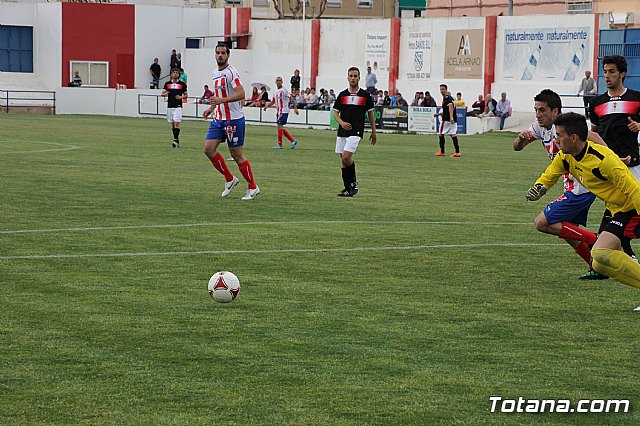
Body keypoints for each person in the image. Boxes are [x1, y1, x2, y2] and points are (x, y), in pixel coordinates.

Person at [525, 112, 640, 308]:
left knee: (602, 252)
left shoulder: (604, 160)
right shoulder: (566, 157)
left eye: (560, 135)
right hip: (613, 209)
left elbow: (634, 189)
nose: (556, 139)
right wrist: (540, 187)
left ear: (574, 137)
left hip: (632, 207)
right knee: (598, 263)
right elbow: (550, 174)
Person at [514, 89, 608, 280]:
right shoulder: (539, 128)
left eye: (542, 110)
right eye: (536, 110)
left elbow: (593, 137)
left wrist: (609, 156)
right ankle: (597, 266)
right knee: (568, 232)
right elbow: (517, 147)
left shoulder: (565, 126)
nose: (538, 115)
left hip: (581, 186)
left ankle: (595, 240)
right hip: (570, 184)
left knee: (542, 223)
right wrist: (521, 139)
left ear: (555, 111)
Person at [589, 54, 640, 264]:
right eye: (605, 72)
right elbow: (593, 133)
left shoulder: (637, 99)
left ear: (622, 74)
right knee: (616, 209)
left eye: (611, 71)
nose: (607, 76)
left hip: (633, 165)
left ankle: (621, 253)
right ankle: (625, 255)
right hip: (609, 168)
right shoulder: (596, 103)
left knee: (634, 209)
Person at [203, 43, 260, 200]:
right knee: (208, 149)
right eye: (218, 53)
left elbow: (242, 93)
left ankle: (253, 187)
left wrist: (222, 100)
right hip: (219, 118)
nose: (220, 55)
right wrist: (212, 108)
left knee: (237, 155)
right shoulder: (216, 72)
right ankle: (230, 179)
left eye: (223, 53)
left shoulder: (231, 72)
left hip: (233, 120)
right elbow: (218, 94)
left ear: (228, 55)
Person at [333, 66, 377, 197]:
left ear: (359, 78)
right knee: (343, 160)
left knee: (347, 157)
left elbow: (371, 114)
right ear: (348, 78)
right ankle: (348, 189)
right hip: (342, 131)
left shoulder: (365, 95)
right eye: (351, 76)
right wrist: (341, 123)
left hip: (356, 131)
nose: (353, 78)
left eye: (355, 76)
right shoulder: (342, 95)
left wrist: (374, 132)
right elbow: (335, 113)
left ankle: (353, 183)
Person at [264, 76, 299, 149]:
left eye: (280, 80)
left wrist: (295, 108)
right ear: (275, 82)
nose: (278, 82)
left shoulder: (284, 90)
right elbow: (273, 101)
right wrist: (267, 106)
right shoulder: (275, 92)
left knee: (279, 126)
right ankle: (292, 141)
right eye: (277, 80)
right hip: (279, 111)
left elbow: (291, 99)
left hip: (284, 111)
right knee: (280, 128)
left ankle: (280, 145)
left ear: (282, 82)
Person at [161, 68, 188, 148]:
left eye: (177, 73)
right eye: (174, 72)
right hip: (170, 106)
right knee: (172, 124)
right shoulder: (167, 84)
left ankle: (175, 140)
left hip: (178, 106)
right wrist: (165, 94)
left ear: (179, 74)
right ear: (171, 74)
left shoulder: (182, 84)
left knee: (177, 122)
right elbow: (163, 93)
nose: (175, 74)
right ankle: (176, 139)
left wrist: (181, 97)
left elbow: (186, 94)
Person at [434, 84, 460, 157]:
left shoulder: (446, 97)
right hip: (453, 119)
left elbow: (450, 106)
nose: (441, 91)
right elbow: (448, 109)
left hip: (447, 119)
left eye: (443, 89)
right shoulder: (451, 98)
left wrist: (451, 117)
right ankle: (457, 152)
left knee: (441, 134)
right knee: (453, 134)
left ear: (446, 90)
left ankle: (442, 152)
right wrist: (438, 114)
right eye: (440, 89)